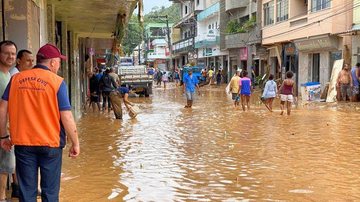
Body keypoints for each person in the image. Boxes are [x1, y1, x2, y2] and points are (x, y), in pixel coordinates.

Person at [0, 43, 80, 201]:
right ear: (52, 62)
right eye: (58, 61)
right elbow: (66, 116)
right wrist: (75, 142)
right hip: (50, 144)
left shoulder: (16, 79)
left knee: (26, 193)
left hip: (23, 144)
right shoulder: (57, 82)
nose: (58, 65)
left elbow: (2, 108)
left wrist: (3, 136)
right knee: (50, 193)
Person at [0, 40, 17, 201]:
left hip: (7, 128)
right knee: (4, 166)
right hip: (2, 130)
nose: (10, 56)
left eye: (13, 53)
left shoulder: (9, 75)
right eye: (6, 53)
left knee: (7, 164)